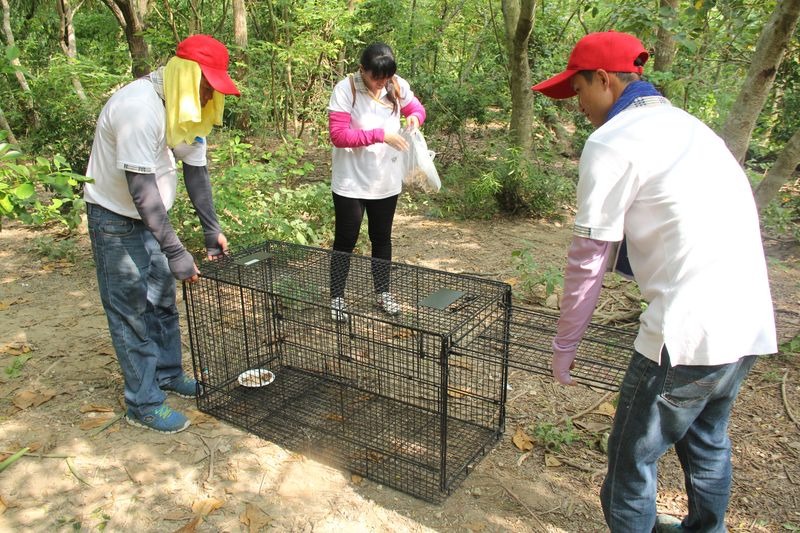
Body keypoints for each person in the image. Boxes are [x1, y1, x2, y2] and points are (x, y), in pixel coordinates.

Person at [531, 31, 777, 532]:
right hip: (746, 323)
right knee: (708, 443)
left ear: (603, 79)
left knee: (629, 466)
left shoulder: (612, 141)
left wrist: (565, 343)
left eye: (577, 90)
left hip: (686, 335)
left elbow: (588, 258)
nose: (576, 105)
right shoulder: (689, 128)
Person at [84, 34, 240, 434]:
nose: (209, 94)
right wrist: (175, 251)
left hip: (152, 219)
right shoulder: (138, 109)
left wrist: (211, 231)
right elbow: (141, 190)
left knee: (162, 302)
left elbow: (195, 169)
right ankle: (143, 401)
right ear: (186, 76)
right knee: (131, 311)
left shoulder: (185, 107)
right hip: (115, 218)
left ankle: (169, 375)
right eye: (206, 84)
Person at [327, 42, 426, 321]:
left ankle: (383, 292)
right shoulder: (346, 89)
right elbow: (338, 135)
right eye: (375, 77)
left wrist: (415, 120)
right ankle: (336, 297)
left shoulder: (396, 85)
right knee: (345, 240)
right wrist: (380, 134)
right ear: (362, 70)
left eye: (386, 78)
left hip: (385, 179)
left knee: (381, 238)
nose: (380, 83)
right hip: (351, 181)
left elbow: (417, 110)